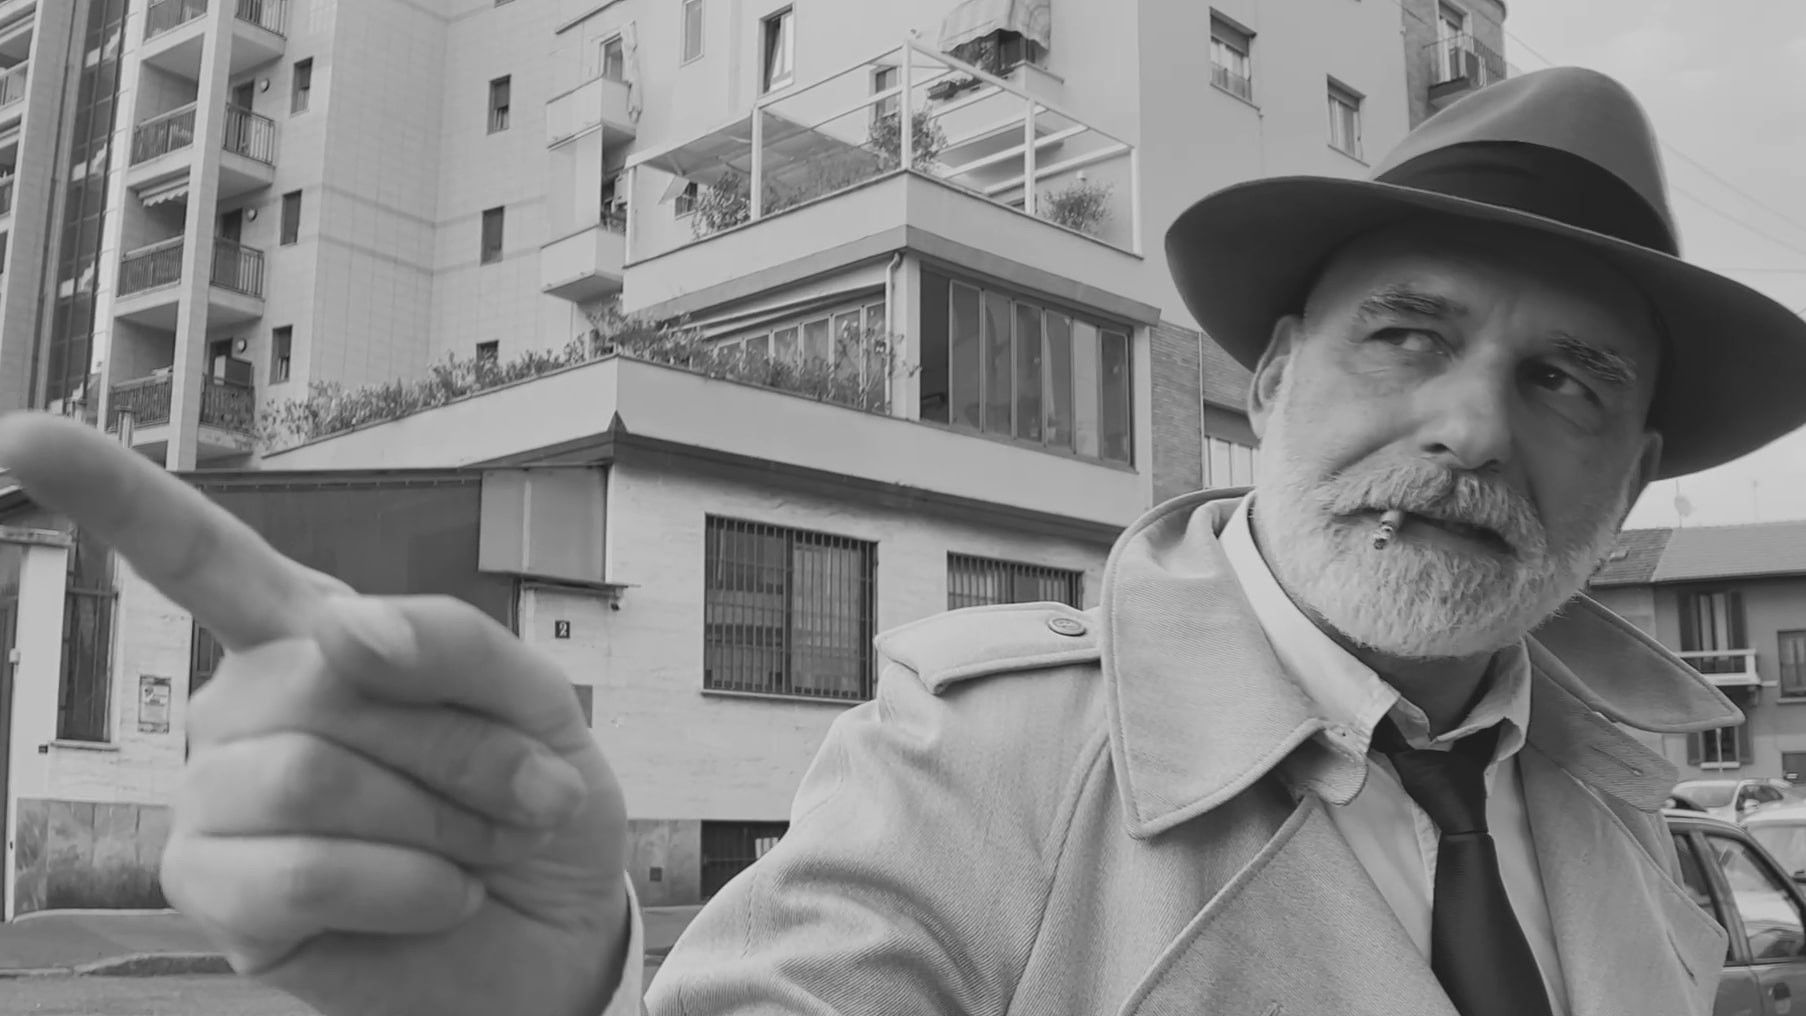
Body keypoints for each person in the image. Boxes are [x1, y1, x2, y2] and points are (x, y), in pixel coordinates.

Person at [1, 66, 1804, 1016]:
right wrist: (546, 999)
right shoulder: (984, 761)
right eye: (1406, 337)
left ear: (1632, 474)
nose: (1473, 428)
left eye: (1566, 382)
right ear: (1268, 379)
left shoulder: (1622, 805)